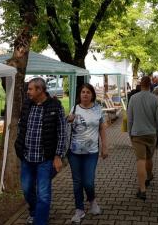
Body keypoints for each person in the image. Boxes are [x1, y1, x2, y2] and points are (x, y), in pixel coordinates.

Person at [15, 77, 66, 225]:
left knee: (43, 194)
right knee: (26, 189)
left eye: (30, 89)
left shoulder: (55, 106)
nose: (28, 92)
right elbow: (21, 127)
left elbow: (62, 133)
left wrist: (58, 156)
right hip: (27, 157)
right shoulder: (27, 105)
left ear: (40, 90)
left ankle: (40, 220)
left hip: (45, 159)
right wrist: (19, 147)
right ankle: (33, 211)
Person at [66, 84, 108, 223]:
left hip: (91, 152)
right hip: (74, 152)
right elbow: (67, 126)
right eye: (83, 92)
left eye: (88, 92)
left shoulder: (98, 109)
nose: (85, 94)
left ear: (92, 95)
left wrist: (104, 147)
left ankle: (92, 201)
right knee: (77, 182)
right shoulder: (75, 108)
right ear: (80, 94)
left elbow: (102, 129)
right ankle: (79, 210)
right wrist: (69, 120)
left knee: (88, 182)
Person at [127, 76, 158, 201]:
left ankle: (142, 190)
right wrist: (157, 129)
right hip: (151, 133)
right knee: (149, 157)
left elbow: (129, 117)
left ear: (140, 85)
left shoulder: (133, 98)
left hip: (137, 133)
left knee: (140, 160)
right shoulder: (155, 99)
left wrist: (130, 133)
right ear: (150, 85)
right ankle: (149, 176)